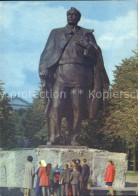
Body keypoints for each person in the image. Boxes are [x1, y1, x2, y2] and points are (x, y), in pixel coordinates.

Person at [39, 7, 109, 145]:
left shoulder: (86, 34)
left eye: (74, 15)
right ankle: (55, 136)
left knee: (77, 107)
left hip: (80, 75)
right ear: (66, 16)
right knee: (56, 105)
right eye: (69, 14)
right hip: (61, 73)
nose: (71, 16)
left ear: (78, 17)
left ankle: (74, 138)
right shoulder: (56, 33)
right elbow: (47, 53)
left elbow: (96, 56)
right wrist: (44, 68)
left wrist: (88, 47)